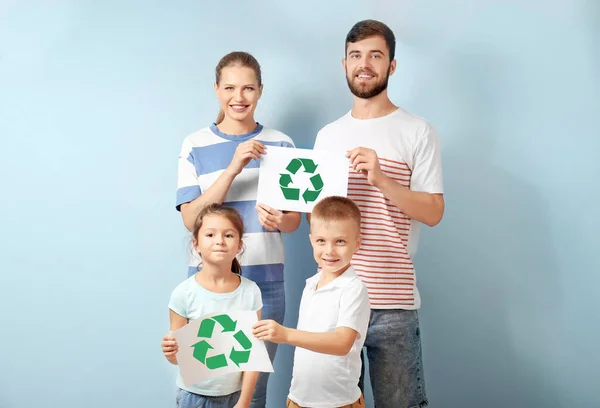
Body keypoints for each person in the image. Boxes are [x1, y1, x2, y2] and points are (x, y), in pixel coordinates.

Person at [312, 20, 445, 408]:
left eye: (375, 55)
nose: (364, 64)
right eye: (356, 55)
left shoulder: (418, 132)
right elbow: (316, 217)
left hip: (393, 303)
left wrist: (383, 179)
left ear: (392, 65)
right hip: (334, 298)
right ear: (344, 64)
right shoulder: (327, 136)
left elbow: (434, 211)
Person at [175, 51, 301, 407]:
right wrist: (233, 168)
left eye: (248, 88)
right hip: (211, 285)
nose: (239, 97)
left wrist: (281, 220)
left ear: (260, 91)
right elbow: (190, 219)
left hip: (266, 283)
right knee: (207, 382)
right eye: (230, 87)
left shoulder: (282, 144)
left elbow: (293, 222)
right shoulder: (195, 145)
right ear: (216, 89)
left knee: (252, 394)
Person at [253, 196, 370, 408]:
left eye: (340, 241)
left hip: (338, 403)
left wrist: (286, 334)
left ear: (357, 243)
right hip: (298, 399)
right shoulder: (311, 285)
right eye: (321, 241)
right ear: (311, 241)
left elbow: (342, 343)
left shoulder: (354, 289)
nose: (329, 251)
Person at [161, 204, 262, 408]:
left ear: (239, 245)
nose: (219, 241)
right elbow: (178, 359)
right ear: (196, 244)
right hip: (193, 396)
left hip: (235, 396)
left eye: (228, 235)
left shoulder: (251, 292)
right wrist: (171, 354)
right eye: (210, 234)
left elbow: (254, 354)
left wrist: (244, 402)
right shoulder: (183, 294)